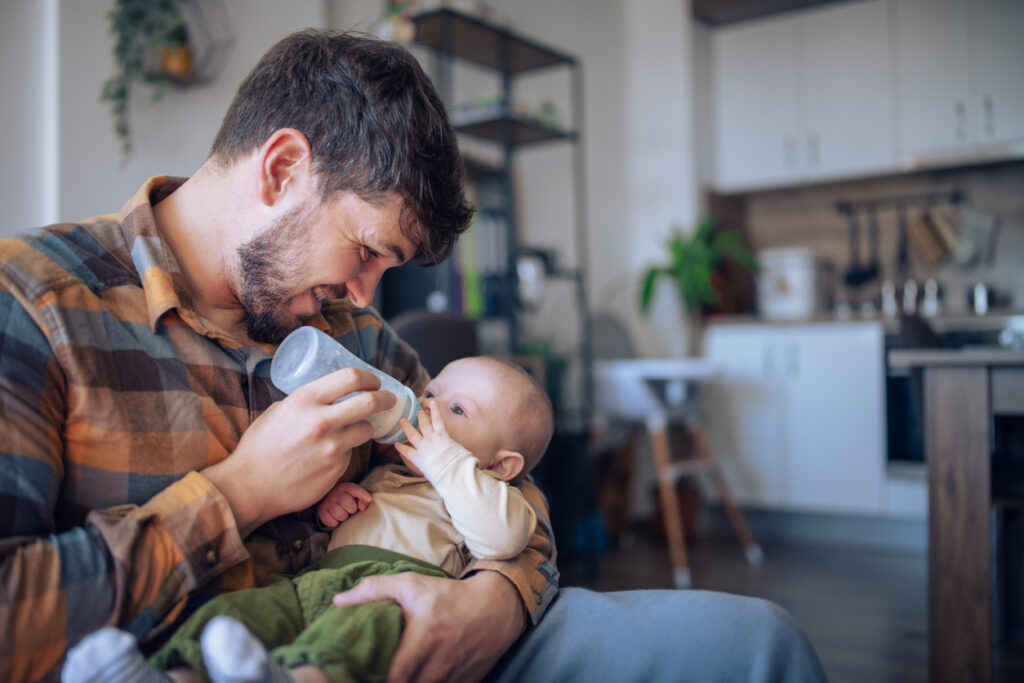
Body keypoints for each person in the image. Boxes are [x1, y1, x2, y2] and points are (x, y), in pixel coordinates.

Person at [0, 28, 827, 683]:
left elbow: (511, 491)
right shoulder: (37, 302)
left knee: (759, 645)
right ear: (282, 168)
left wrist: (490, 606)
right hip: (191, 655)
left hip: (419, 633)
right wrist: (238, 492)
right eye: (366, 249)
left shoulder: (355, 336)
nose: (364, 297)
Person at [62, 355, 555, 683]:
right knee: (236, 616)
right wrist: (335, 506)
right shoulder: (390, 472)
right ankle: (172, 675)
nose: (428, 407)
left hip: (392, 592)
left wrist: (447, 463)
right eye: (431, 391)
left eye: (458, 409)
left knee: (350, 640)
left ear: (501, 466)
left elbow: (506, 536)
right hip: (315, 581)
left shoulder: (483, 491)